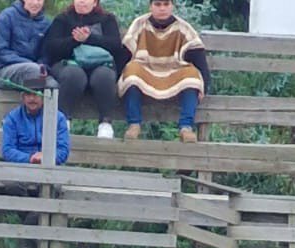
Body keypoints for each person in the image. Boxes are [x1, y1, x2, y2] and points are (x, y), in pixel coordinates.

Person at [118, 0, 211, 142]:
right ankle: (134, 124)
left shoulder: (183, 27)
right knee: (131, 70)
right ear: (151, 6)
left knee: (192, 75)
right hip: (145, 71)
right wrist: (117, 79)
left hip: (173, 72)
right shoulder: (139, 24)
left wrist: (205, 85)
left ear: (172, 6)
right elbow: (125, 53)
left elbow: (198, 57)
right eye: (158, 4)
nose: (162, 8)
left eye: (166, 4)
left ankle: (186, 127)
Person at [43, 0, 122, 139]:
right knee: (73, 75)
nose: (82, 1)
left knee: (104, 76)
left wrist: (89, 38)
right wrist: (74, 40)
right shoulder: (62, 19)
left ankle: (105, 123)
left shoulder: (107, 19)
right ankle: (63, 121)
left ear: (95, 2)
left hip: (100, 64)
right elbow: (51, 48)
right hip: (68, 64)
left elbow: (115, 46)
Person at [1, 75, 71, 165]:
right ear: (23, 97)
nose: (31, 98)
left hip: (50, 167)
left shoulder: (58, 118)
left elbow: (63, 151)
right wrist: (30, 158)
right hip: (21, 167)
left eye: (36, 94)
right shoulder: (12, 118)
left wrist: (45, 157)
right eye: (28, 94)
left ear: (44, 96)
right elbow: (7, 150)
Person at [0, 0, 52, 89]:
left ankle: (34, 96)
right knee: (34, 73)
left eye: (39, 0)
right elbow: (1, 51)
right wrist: (29, 63)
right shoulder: (7, 16)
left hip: (35, 73)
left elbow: (45, 55)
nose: (35, 3)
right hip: (5, 71)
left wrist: (43, 66)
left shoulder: (46, 23)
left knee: (54, 86)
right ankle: (30, 98)